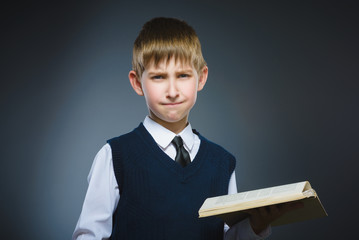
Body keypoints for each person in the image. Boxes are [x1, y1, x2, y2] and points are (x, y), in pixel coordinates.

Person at [73, 17, 295, 240]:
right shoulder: (115, 156)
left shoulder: (222, 163)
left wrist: (256, 226)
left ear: (201, 78)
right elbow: (89, 236)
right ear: (138, 83)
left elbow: (227, 236)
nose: (172, 90)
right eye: (159, 77)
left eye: (183, 76)